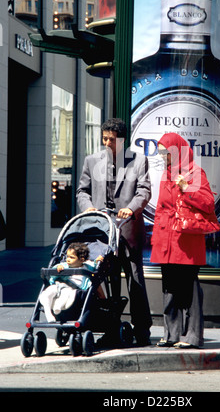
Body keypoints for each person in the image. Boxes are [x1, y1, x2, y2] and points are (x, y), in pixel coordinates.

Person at [76, 118, 152, 346]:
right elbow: (82, 190)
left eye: (112, 139)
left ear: (122, 140)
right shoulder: (92, 160)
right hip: (102, 230)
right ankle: (111, 327)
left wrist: (130, 208)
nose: (107, 143)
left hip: (128, 230)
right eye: (105, 138)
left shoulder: (139, 161)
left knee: (135, 280)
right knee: (106, 280)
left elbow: (144, 190)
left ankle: (142, 330)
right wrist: (87, 206)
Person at [150, 133, 216, 349]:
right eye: (160, 153)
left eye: (165, 153)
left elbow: (208, 203)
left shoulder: (195, 171)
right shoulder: (166, 174)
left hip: (185, 239)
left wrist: (187, 190)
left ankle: (192, 336)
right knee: (169, 288)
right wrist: (157, 240)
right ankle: (172, 334)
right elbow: (161, 209)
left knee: (189, 288)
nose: (162, 157)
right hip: (166, 238)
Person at [40, 242, 104, 322]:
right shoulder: (64, 266)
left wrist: (97, 261)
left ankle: (58, 307)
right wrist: (58, 268)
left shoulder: (87, 267)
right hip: (59, 285)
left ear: (82, 259)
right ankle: (48, 311)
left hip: (72, 289)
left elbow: (94, 268)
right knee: (49, 291)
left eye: (71, 257)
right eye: (67, 256)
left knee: (66, 293)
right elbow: (55, 270)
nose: (68, 259)